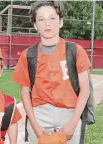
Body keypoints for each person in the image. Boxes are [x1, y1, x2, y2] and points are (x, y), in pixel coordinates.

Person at [12, 1, 91, 144]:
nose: (47, 23)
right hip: (39, 114)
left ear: (61, 22)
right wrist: (35, 126)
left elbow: (85, 89)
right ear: (35, 25)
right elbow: (25, 92)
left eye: (52, 18)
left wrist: (73, 123)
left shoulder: (75, 50)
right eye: (41, 19)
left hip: (70, 113)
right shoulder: (28, 55)